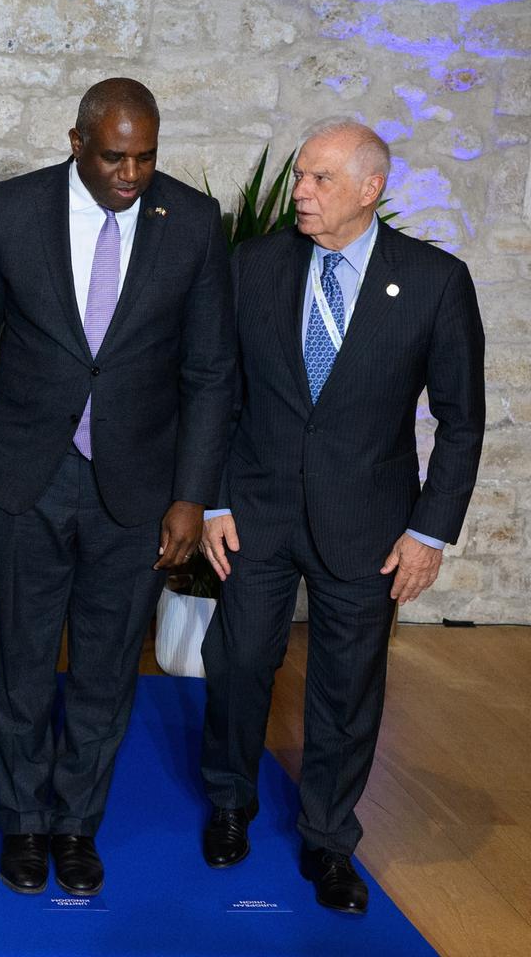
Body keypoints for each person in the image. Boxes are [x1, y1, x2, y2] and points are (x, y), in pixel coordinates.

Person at [0, 78, 237, 897]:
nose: (131, 172)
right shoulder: (12, 210)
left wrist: (190, 495)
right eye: (114, 155)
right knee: (19, 660)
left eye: (146, 156)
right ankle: (22, 822)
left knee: (109, 668)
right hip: (26, 478)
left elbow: (211, 371)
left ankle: (77, 824)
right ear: (76, 141)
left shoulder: (191, 222)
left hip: (138, 488)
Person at [197, 120, 483, 914]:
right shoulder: (253, 265)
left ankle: (327, 840)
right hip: (254, 512)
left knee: (347, 687)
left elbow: (461, 421)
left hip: (370, 525)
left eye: (320, 180)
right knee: (239, 662)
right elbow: (220, 388)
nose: (300, 193)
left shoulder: (434, 281)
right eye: (298, 178)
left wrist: (430, 531)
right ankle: (229, 802)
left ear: (370, 189)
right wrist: (215, 496)